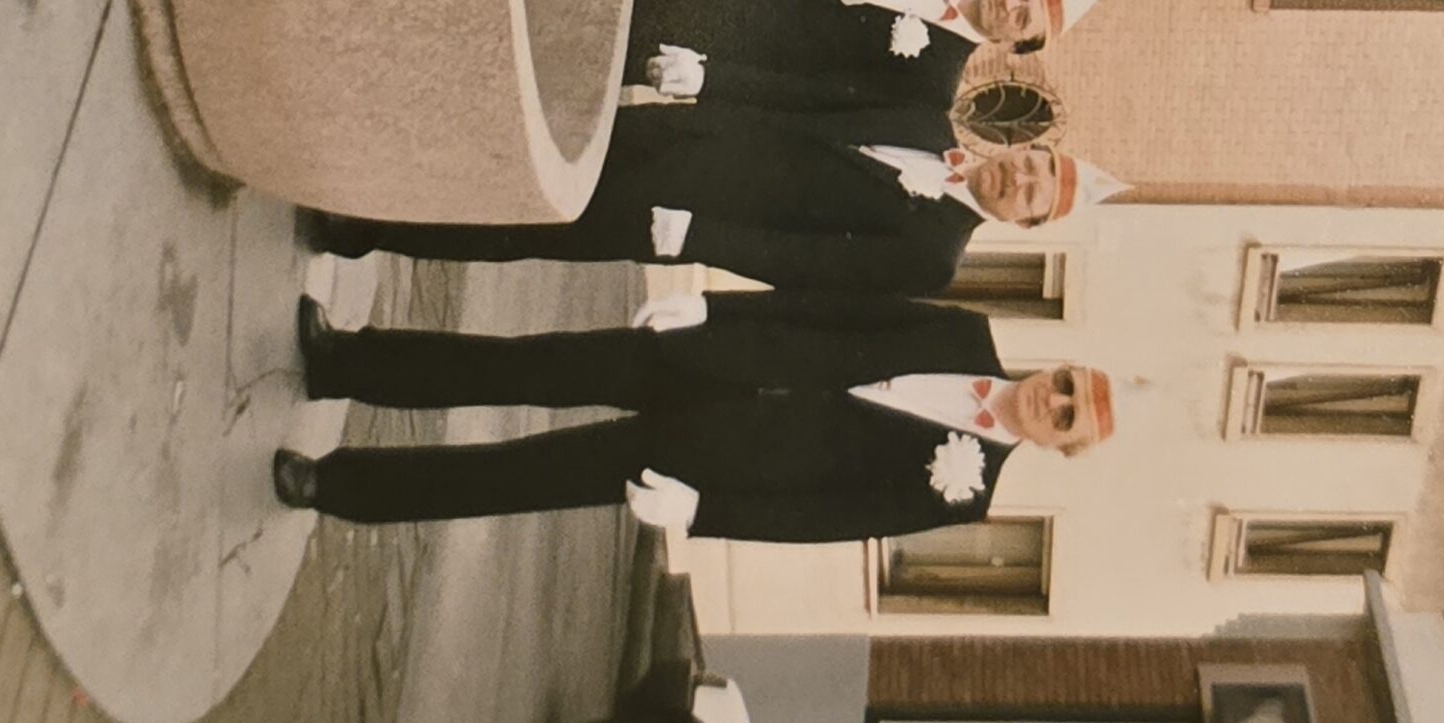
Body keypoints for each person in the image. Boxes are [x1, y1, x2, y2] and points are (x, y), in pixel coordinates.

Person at [273, 286, 1114, 533]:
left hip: (719, 459)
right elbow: (827, 309)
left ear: (1059, 446)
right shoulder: (965, 334)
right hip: (712, 357)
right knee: (525, 363)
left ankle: (336, 486)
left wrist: (704, 512)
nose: (1056, 399)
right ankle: (344, 361)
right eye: (1068, 383)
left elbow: (827, 520)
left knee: (525, 474)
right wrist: (711, 308)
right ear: (1060, 364)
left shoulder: (966, 496)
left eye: (1067, 417)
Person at [296, 106, 1124, 292]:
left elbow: (803, 265)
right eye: (1033, 164)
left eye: (1032, 197)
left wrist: (697, 239)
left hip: (691, 215)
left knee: (531, 223)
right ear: (1022, 146)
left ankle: (370, 226)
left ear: (1025, 224)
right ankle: (387, 167)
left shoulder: (931, 256)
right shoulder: (925, 117)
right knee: (532, 147)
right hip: (703, 132)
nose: (1019, 179)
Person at [628, 0, 1108, 114]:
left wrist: (711, 79)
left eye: (1023, 19)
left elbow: (814, 95)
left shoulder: (934, 85)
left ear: (1013, 46)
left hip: (720, 49)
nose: (1010, 5)